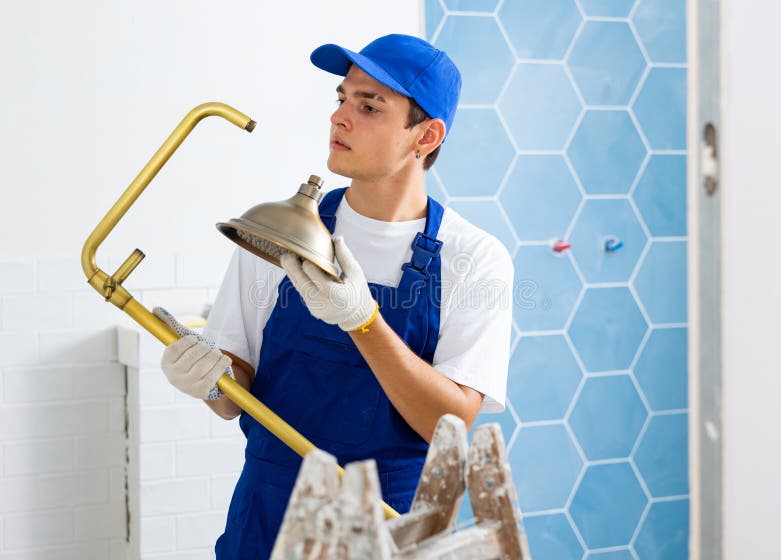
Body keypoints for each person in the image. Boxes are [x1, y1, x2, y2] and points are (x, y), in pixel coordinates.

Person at [158, 33, 514, 558]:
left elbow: (450, 425)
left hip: (388, 524)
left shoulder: (474, 258)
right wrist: (208, 382)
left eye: (369, 106)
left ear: (427, 135)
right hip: (267, 514)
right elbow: (234, 390)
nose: (340, 118)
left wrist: (363, 321)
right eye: (342, 99)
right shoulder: (280, 233)